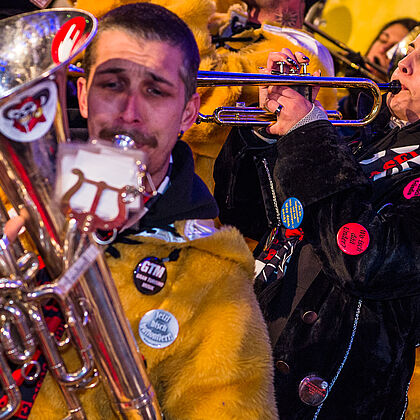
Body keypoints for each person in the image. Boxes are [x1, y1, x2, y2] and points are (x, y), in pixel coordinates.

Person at [11, 4, 277, 419]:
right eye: (112, 84)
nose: (129, 113)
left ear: (188, 112)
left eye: (155, 91)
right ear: (82, 95)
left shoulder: (215, 277)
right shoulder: (19, 203)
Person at [214, 38, 420, 418]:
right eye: (410, 50)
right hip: (250, 359)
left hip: (333, 397)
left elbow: (366, 262)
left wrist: (308, 137)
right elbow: (246, 213)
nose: (404, 64)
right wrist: (268, 130)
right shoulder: (364, 135)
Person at [72, 0, 336, 192]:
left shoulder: (301, 48)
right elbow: (87, 43)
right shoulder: (221, 24)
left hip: (210, 212)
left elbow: (200, 91)